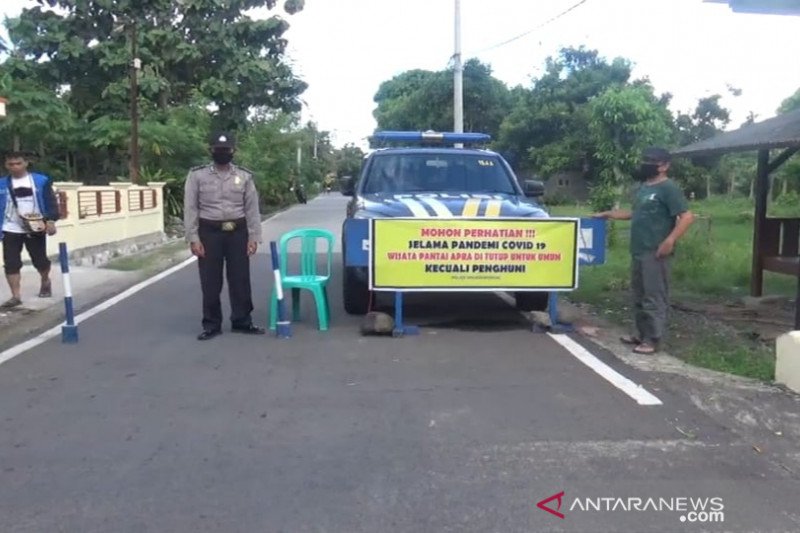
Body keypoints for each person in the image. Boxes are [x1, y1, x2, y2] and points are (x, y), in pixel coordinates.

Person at [592, 147, 695, 354]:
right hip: (638, 249)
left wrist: (670, 240)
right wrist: (608, 214)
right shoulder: (644, 187)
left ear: (665, 165)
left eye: (652, 160)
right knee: (639, 294)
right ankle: (640, 334)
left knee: (654, 296)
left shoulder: (668, 188)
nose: (647, 163)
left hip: (655, 251)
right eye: (645, 159)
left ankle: (653, 339)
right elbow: (634, 213)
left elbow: (687, 216)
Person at [183, 132, 265, 340]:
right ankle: (211, 324)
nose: (222, 153)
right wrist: (193, 238)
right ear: (211, 151)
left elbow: (252, 208)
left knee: (240, 280)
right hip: (209, 233)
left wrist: (254, 237)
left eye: (226, 150)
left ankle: (242, 321)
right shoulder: (197, 176)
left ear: (233, 151)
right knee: (210, 281)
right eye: (218, 150)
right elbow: (190, 208)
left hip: (238, 232)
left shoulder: (244, 176)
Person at [0, 151, 59, 309]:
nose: (15, 167)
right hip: (10, 227)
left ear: (26, 163)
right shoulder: (2, 184)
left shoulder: (41, 181)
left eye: (18, 163)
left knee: (39, 260)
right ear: (6, 165)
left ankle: (45, 280)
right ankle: (15, 296)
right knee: (11, 263)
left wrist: (51, 220)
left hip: (35, 225)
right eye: (11, 164)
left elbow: (50, 201)